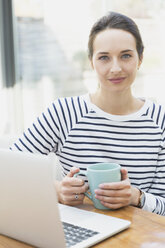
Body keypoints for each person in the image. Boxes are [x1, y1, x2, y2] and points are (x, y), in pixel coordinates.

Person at [10, 11, 165, 216]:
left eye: (126, 55)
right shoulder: (63, 113)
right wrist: (56, 190)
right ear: (91, 61)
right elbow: (9, 171)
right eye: (104, 58)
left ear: (140, 58)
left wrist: (137, 197)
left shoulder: (159, 120)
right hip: (82, 233)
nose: (115, 68)